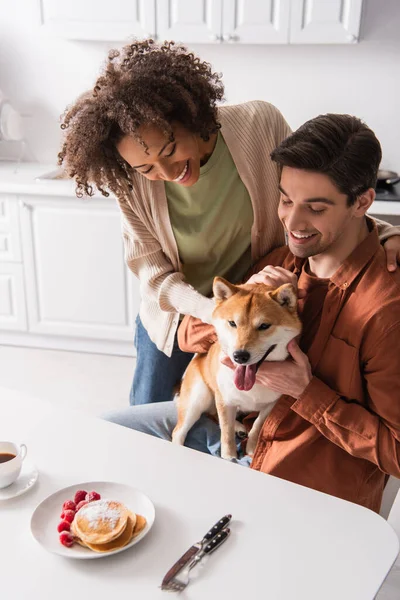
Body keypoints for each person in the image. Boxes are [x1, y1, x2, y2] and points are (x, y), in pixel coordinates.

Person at [59, 39, 400, 407]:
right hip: (182, 318)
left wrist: (385, 232)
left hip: (253, 318)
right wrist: (204, 316)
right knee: (149, 416)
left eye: (170, 151)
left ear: (191, 118)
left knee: (235, 415)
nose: (167, 173)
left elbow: (311, 190)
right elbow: (153, 272)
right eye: (146, 168)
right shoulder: (129, 184)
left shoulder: (258, 125)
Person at [104, 113, 400, 513]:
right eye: (285, 199)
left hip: (291, 473)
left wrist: (307, 392)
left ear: (363, 201)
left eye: (315, 208)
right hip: (237, 429)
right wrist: (209, 327)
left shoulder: (386, 313)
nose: (292, 223)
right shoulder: (281, 262)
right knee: (107, 435)